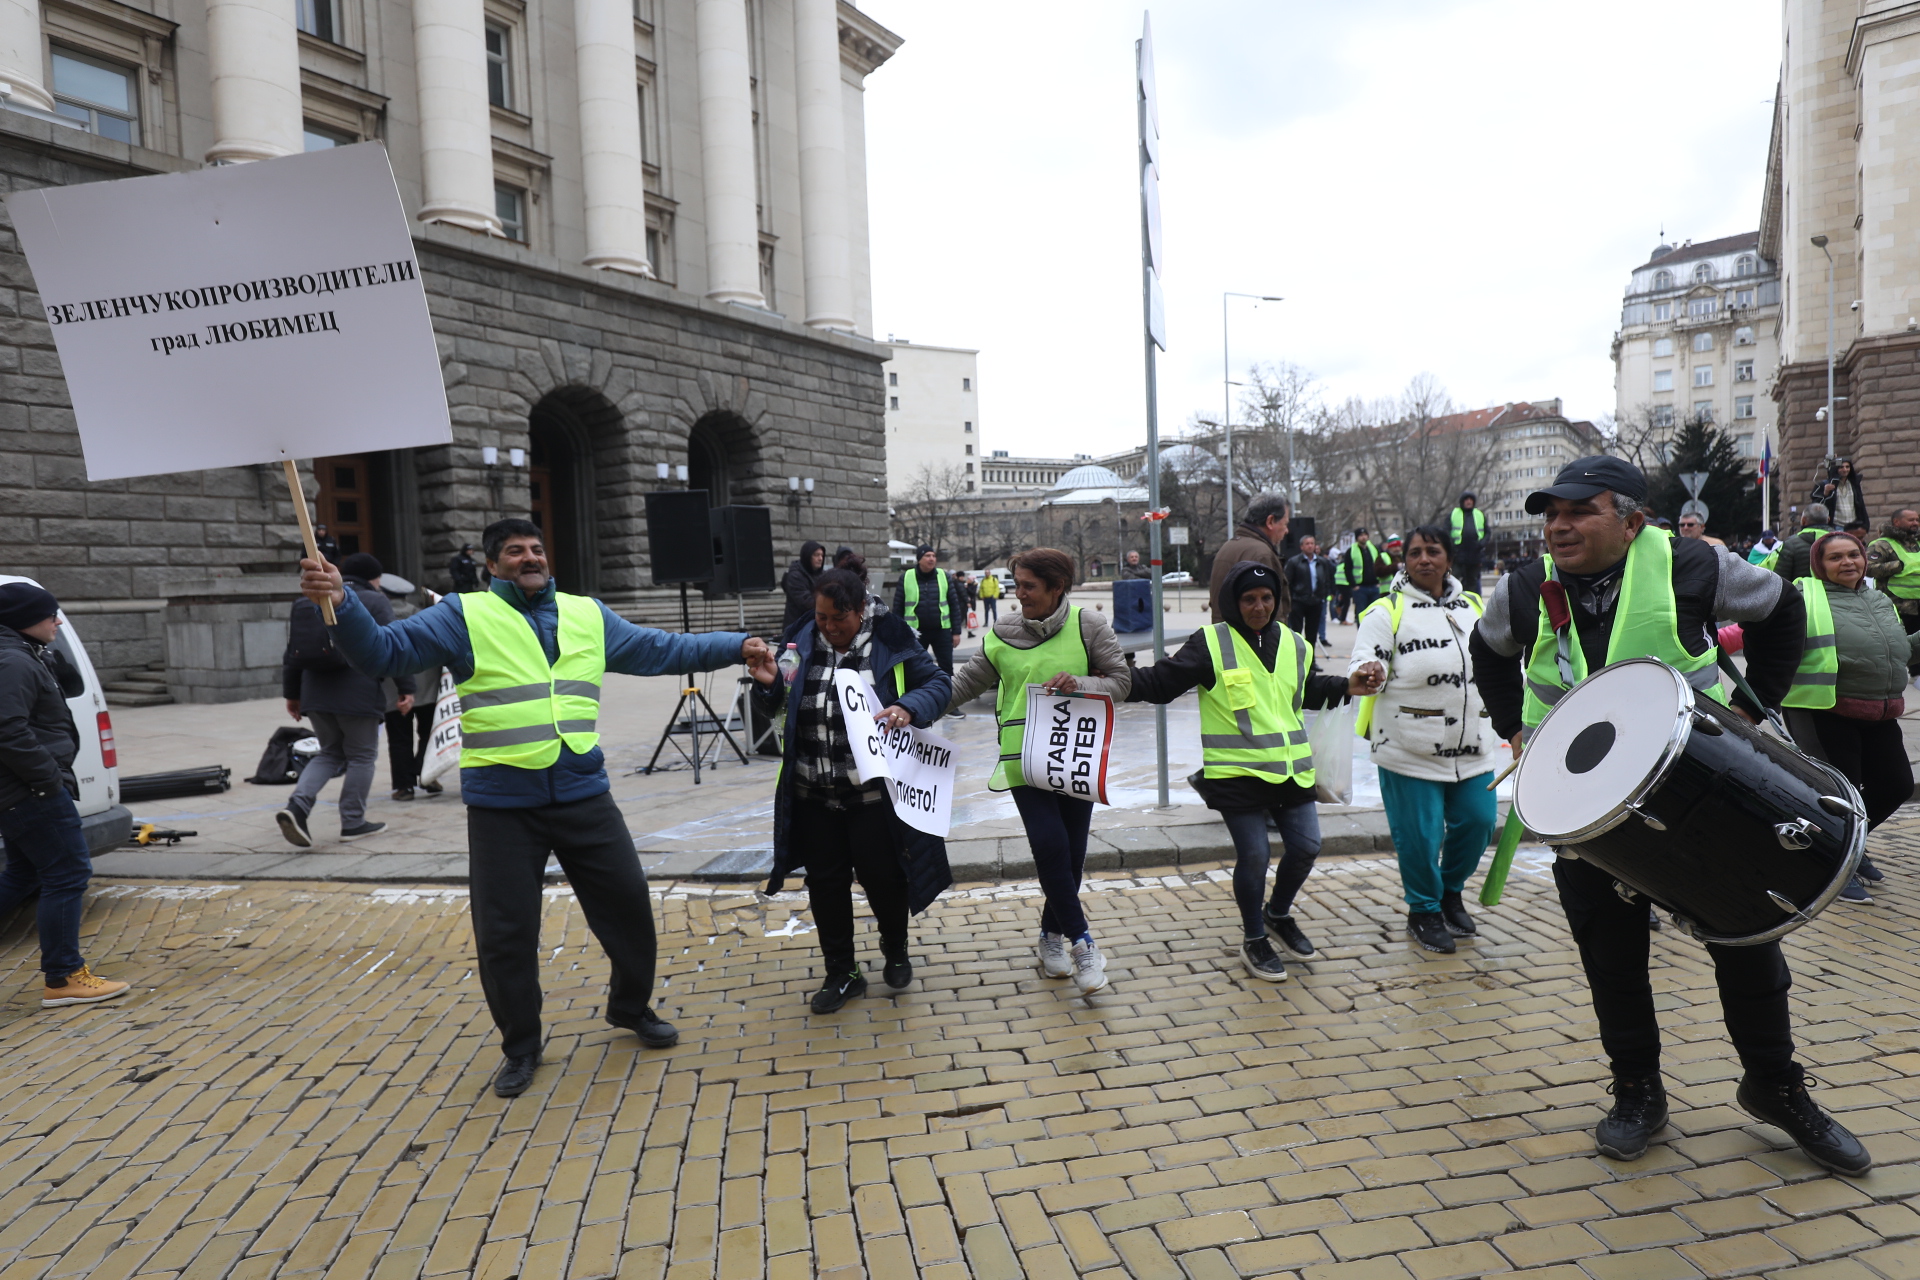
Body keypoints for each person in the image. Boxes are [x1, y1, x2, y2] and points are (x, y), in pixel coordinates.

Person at [1471, 455, 1870, 1176]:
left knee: (1747, 942)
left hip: (1699, 797)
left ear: (1629, 521)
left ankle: (1775, 1087)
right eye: (1551, 515)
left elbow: (1784, 611)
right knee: (1612, 959)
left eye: (1577, 512)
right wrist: (1514, 726)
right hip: (1584, 812)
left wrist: (1754, 709)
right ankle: (1638, 1093)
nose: (1558, 526)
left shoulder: (1693, 566)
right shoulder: (1526, 587)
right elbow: (1488, 651)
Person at [299, 518, 773, 1097]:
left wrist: (735, 646)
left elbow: (660, 648)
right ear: (493, 565)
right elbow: (383, 653)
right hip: (503, 806)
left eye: (537, 549)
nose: (530, 557)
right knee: (506, 936)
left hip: (582, 793)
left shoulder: (586, 614)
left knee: (628, 906)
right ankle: (521, 1046)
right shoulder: (463, 615)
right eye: (514, 552)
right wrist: (342, 602)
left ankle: (629, 1007)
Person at [1128, 562, 1375, 980]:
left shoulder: (1296, 644)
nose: (1259, 607)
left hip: (1291, 771)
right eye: (1248, 600)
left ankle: (1277, 914)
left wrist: (1346, 685)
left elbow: (1306, 690)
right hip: (1238, 773)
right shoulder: (1211, 642)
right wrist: (1112, 680)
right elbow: (1161, 682)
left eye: (1266, 598)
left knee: (1307, 846)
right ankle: (1254, 938)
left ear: (1278, 601)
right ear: (1232, 603)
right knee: (1256, 854)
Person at [758, 569, 953, 1012]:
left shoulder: (890, 637)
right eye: (821, 616)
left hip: (871, 796)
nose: (827, 626)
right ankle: (842, 972)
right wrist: (769, 684)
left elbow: (939, 684)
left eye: (837, 618)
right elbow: (776, 701)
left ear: (860, 610)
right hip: (813, 791)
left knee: (883, 878)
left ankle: (894, 943)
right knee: (824, 883)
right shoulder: (799, 639)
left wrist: (908, 706)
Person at [947, 548, 1131, 992]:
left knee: (1071, 856)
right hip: (1023, 760)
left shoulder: (1089, 625)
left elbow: (1121, 682)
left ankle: (1050, 936)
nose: (1019, 594)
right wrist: (910, 708)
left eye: (1028, 586)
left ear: (1057, 588)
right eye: (1017, 585)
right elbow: (962, 685)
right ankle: (1084, 944)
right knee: (1049, 844)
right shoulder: (1003, 632)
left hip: (1075, 756)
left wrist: (1079, 683)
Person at [1350, 527, 1496, 954]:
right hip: (1407, 747)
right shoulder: (1386, 611)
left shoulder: (1473, 606)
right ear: (1405, 561)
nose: (1424, 560)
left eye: (1433, 552)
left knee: (1478, 820)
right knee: (1420, 836)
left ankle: (1450, 892)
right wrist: (1367, 672)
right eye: (1415, 553)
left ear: (1448, 559)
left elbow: (1497, 659)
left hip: (1472, 744)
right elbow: (1364, 657)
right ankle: (1424, 910)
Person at [0, 582, 130, 1007]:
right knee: (68, 873)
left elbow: (65, 685)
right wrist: (48, 780)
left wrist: (46, 654)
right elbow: (8, 731)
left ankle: (64, 973)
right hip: (31, 790)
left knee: (23, 874)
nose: (58, 621)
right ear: (22, 620)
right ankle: (63, 977)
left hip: (24, 788)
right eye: (50, 614)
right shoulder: (12, 660)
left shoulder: (24, 653)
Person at [1781, 531, 1913, 901]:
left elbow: (1900, 650)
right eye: (1835, 557)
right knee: (1842, 795)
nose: (1848, 563)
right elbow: (1760, 637)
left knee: (1897, 785)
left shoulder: (1878, 599)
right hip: (1824, 709)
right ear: (1818, 565)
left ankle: (1842, 847)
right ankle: (1836, 862)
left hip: (1879, 709)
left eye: (1853, 555)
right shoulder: (1804, 597)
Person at [279, 552, 412, 846]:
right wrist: (407, 687)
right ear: (374, 578)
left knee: (329, 753)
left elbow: (291, 653)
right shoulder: (376, 600)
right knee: (362, 756)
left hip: (314, 691)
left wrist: (292, 694)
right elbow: (394, 644)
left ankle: (297, 806)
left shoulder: (305, 599)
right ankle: (353, 822)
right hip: (359, 692)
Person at [893, 547, 966, 699]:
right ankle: (916, 702)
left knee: (946, 668)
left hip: (942, 632)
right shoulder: (906, 577)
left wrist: (956, 632)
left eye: (933, 556)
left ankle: (948, 703)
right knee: (915, 668)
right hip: (916, 633)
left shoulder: (944, 577)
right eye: (927, 556)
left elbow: (954, 605)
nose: (931, 559)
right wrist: (898, 633)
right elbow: (898, 607)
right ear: (919, 559)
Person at [1208, 492, 1288, 623]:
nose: (1286, 530)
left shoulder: (1228, 546)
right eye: (1285, 524)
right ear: (1270, 521)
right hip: (1254, 640)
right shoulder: (1261, 554)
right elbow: (1269, 612)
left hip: (1225, 637)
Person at [1867, 508, 1920, 669]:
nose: (1916, 523)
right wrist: (1898, 566)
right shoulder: (1882, 545)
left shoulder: (1917, 544)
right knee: (1904, 644)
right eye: (1911, 520)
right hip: (1898, 605)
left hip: (1918, 603)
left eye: (1917, 519)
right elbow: (1868, 568)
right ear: (1896, 522)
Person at [1283, 535, 1334, 645]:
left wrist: (1323, 596)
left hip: (1316, 601)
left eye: (1312, 543)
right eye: (1307, 543)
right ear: (1301, 546)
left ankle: (1311, 660)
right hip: (1299, 601)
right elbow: (1287, 582)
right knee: (1296, 632)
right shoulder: (1294, 562)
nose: (1310, 546)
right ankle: (1296, 658)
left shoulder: (1322, 562)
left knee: (1312, 633)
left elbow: (1326, 580)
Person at [1773, 504, 1832, 583]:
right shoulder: (1844, 541)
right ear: (1828, 519)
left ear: (1803, 520)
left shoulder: (1791, 544)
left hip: (1801, 593)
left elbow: (1780, 580)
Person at [1342, 528, 1393, 618]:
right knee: (1361, 614)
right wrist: (1354, 585)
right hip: (1360, 588)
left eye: (1365, 535)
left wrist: (1378, 583)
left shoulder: (1374, 549)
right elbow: (1347, 569)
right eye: (1361, 536)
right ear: (1357, 538)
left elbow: (1379, 565)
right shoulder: (1351, 551)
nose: (1363, 537)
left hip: (1374, 586)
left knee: (1375, 614)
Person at [781, 541, 828, 634]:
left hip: (815, 625)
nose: (820, 558)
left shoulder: (822, 574)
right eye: (816, 555)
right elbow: (806, 602)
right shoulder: (795, 576)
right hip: (797, 627)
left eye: (822, 555)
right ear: (807, 556)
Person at [1812, 458, 1868, 530]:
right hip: (1836, 526)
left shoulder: (1854, 484)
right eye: (1841, 467)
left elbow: (1860, 505)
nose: (1845, 470)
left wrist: (1864, 524)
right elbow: (1816, 506)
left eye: (1847, 467)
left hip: (1853, 526)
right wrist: (1825, 494)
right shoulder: (1825, 484)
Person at [1450, 493, 1489, 594]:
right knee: (1454, 578)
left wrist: (1481, 544)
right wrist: (1452, 546)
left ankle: (1471, 603)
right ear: (1462, 502)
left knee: (1472, 581)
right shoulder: (1454, 514)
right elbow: (1446, 530)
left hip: (1474, 554)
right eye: (1466, 499)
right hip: (1458, 554)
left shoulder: (1479, 514)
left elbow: (1487, 532)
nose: (1469, 502)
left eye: (1471, 500)